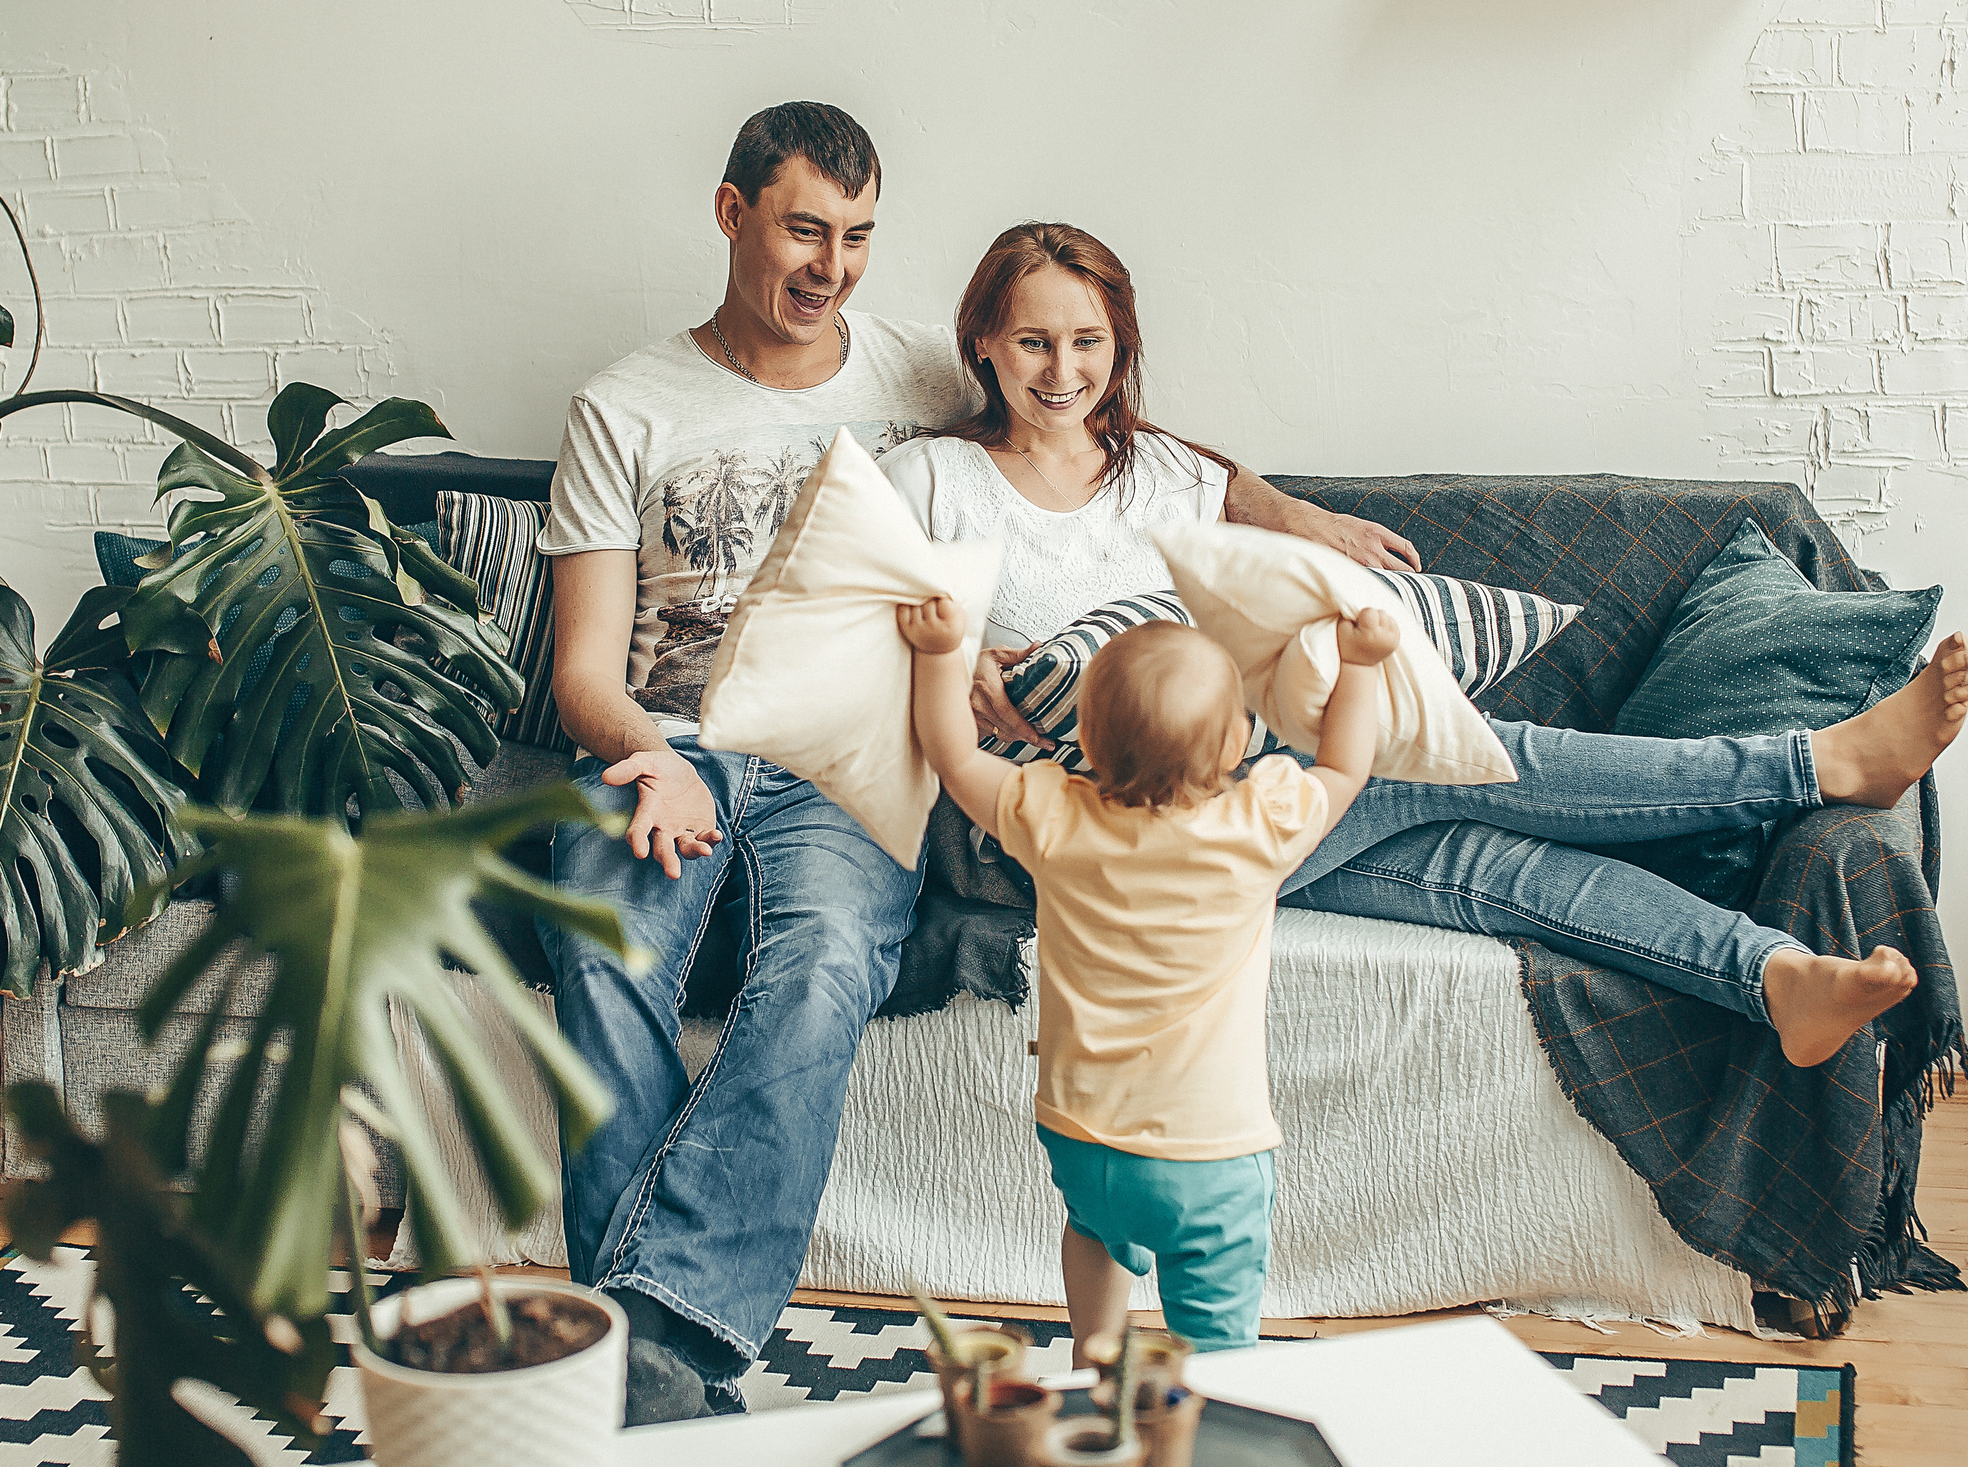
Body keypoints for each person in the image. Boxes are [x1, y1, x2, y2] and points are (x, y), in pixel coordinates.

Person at [532, 105, 1419, 1424]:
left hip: (851, 759)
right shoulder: (625, 405)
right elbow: (584, 674)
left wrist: (1289, 514)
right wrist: (648, 756)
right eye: (803, 229)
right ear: (732, 217)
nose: (831, 265)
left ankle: (644, 1344)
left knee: (829, 962)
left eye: (857, 236)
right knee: (600, 946)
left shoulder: (916, 374)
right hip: (673, 748)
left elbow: (1112, 424)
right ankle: (662, 1345)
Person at [881, 221, 1968, 1071]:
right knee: (1446, 754)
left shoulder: (1166, 473)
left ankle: (1775, 980)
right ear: (981, 340)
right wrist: (948, 647)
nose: (1060, 370)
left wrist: (1313, 530)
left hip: (1226, 793)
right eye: (1032, 340)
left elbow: (1264, 548)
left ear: (1119, 348)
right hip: (1054, 833)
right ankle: (1810, 766)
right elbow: (840, 621)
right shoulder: (927, 478)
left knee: (1484, 870)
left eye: (1086, 342)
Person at [901, 594, 1402, 1353]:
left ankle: (1093, 1351)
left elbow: (952, 752)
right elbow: (1344, 764)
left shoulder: (1053, 814)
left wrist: (941, 652)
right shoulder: (1258, 824)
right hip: (1212, 1154)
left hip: (1083, 1136)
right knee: (1217, 1346)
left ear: (1089, 740)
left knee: (1096, 1234)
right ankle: (1201, 1415)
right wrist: (1361, 666)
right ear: (1238, 742)